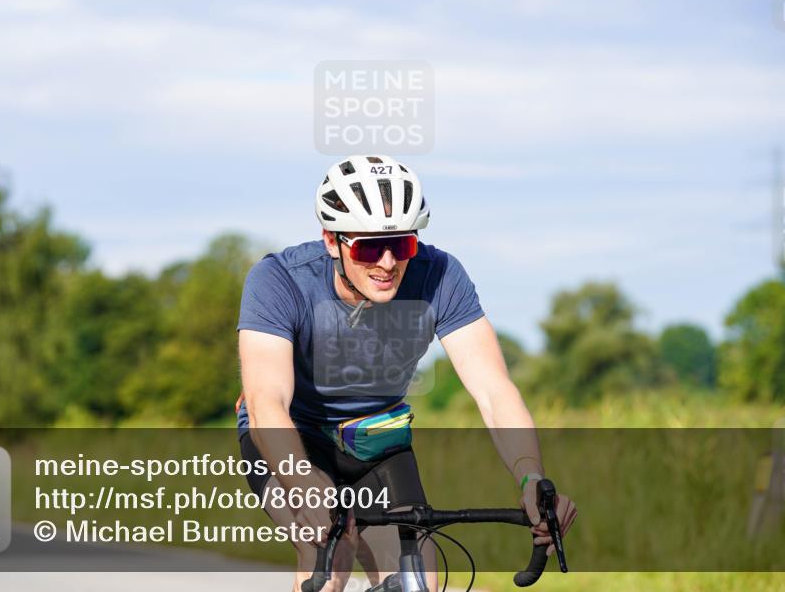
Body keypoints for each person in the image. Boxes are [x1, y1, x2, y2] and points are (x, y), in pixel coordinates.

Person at [236, 155, 575, 592]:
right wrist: (300, 480)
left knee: (419, 581)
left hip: (376, 437)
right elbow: (267, 401)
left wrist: (530, 477)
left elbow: (494, 391)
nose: (389, 263)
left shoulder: (440, 276)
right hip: (293, 436)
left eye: (403, 244)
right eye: (369, 248)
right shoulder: (278, 280)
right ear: (331, 240)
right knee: (328, 554)